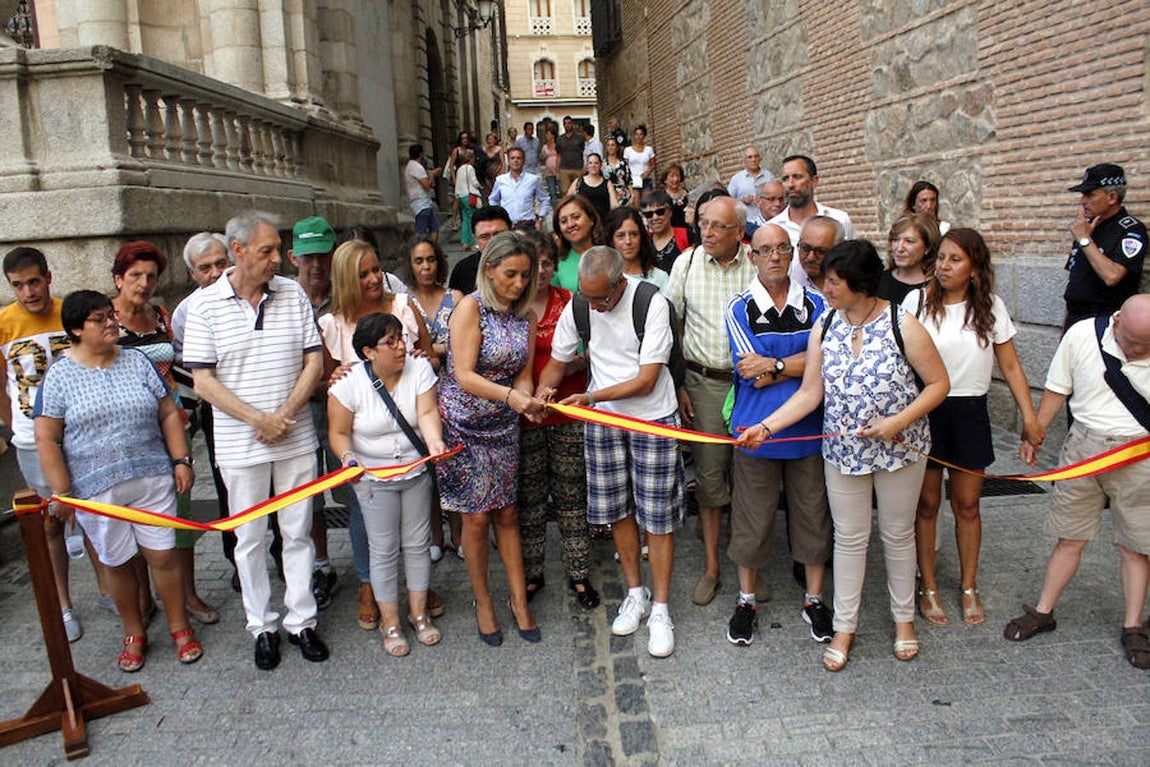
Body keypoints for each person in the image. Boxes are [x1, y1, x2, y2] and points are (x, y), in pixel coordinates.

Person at [739, 240, 949, 672]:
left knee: (896, 535)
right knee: (849, 541)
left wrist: (896, 423)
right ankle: (845, 627)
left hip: (900, 452)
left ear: (858, 283)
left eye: (833, 282)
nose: (825, 288)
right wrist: (766, 427)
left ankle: (904, 621)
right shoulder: (826, 325)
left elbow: (937, 385)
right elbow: (810, 393)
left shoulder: (902, 323)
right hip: (843, 453)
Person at [183, 210, 329, 670]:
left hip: (295, 436)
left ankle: (302, 620)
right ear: (239, 251)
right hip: (239, 443)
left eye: (276, 249)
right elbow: (203, 382)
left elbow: (314, 363)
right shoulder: (203, 305)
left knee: (297, 531)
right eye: (266, 251)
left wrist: (282, 416)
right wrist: (256, 420)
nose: (276, 260)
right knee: (247, 537)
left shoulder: (293, 294)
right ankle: (262, 625)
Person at [35, 290, 203, 671]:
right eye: (100, 319)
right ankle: (134, 632)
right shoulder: (59, 376)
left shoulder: (138, 362)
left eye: (111, 315)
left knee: (163, 555)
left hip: (152, 477)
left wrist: (181, 460)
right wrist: (62, 492)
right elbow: (48, 437)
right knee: (118, 562)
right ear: (76, 329)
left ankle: (180, 626)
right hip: (96, 489)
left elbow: (167, 413)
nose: (112, 323)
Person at [537, 246, 685, 657]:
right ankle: (635, 593)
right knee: (619, 511)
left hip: (652, 417)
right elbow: (558, 358)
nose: (596, 307)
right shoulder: (582, 304)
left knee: (657, 518)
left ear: (620, 282)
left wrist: (591, 396)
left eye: (602, 298)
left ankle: (660, 608)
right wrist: (543, 391)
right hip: (605, 423)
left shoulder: (651, 303)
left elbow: (647, 380)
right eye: (588, 298)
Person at [904, 228, 1042, 627]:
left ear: (975, 268)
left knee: (967, 504)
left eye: (955, 260)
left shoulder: (990, 307)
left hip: (969, 412)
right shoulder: (917, 301)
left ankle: (968, 585)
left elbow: (1011, 365)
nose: (944, 267)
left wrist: (1029, 418)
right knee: (927, 504)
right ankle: (927, 586)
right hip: (926, 410)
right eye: (941, 258)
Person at [1004, 295, 1150, 669]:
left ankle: (1133, 626)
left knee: (1135, 546)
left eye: (1144, 347)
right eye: (1131, 342)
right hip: (1083, 447)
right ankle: (1043, 611)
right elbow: (1058, 388)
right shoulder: (1084, 334)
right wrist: (1033, 433)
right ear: (1117, 321)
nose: (1135, 352)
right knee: (1069, 537)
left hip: (1139, 455)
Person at [724, 223, 833, 646]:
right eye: (765, 249)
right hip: (756, 432)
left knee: (813, 517)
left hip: (809, 432)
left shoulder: (820, 304)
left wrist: (777, 365)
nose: (774, 256)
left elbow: (825, 360)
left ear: (792, 254)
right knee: (751, 520)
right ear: (751, 256)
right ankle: (746, 599)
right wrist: (799, 361)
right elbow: (748, 368)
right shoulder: (739, 307)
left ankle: (814, 599)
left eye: (782, 248)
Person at [437, 231, 546, 646]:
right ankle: (483, 601)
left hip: (504, 425)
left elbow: (523, 370)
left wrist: (529, 398)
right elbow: (463, 374)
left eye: (525, 275)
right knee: (476, 519)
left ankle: (519, 601)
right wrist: (512, 397)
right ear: (489, 270)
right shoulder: (470, 308)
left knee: (507, 514)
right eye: (511, 275)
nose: (519, 284)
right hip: (464, 425)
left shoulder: (525, 316)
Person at [1, 247, 110, 643]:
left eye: (34, 281)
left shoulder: (70, 315)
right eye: (18, 285)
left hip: (81, 435)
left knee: (94, 514)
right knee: (50, 524)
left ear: (48, 276)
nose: (28, 292)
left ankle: (107, 589)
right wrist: (17, 427)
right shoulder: (4, 324)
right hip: (33, 440)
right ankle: (63, 604)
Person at [328, 312, 449, 657]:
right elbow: (338, 433)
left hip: (415, 472)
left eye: (402, 338)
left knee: (417, 543)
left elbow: (426, 413)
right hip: (372, 479)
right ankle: (391, 620)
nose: (401, 347)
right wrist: (349, 457)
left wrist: (435, 442)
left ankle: (419, 613)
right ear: (368, 351)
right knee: (382, 549)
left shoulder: (420, 369)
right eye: (391, 341)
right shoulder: (346, 384)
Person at [110, 241, 216, 627]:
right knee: (130, 517)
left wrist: (192, 412)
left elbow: (181, 366)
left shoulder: (160, 316)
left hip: (173, 431)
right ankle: (142, 597)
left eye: (151, 275)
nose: (144, 282)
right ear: (118, 278)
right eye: (135, 275)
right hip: (127, 438)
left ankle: (188, 594)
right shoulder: (105, 319)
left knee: (179, 516)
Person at [665, 196, 757, 607]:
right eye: (704, 223)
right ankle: (712, 568)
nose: (708, 232)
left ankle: (747, 566)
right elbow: (671, 324)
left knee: (751, 476)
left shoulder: (757, 266)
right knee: (708, 476)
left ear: (740, 231)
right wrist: (680, 384)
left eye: (719, 226)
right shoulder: (685, 264)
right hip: (704, 384)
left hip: (755, 387)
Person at [515, 232, 598, 608]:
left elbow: (590, 350)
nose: (543, 270)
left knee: (571, 495)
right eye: (536, 264)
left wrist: (568, 366)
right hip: (526, 415)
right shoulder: (512, 309)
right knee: (530, 500)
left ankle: (579, 574)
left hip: (568, 410)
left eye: (548, 262)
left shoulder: (570, 303)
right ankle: (532, 573)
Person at [171, 233, 243, 592]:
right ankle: (236, 559)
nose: (215, 272)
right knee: (227, 487)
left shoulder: (249, 293)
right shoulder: (187, 311)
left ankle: (280, 552)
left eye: (220, 262)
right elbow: (188, 368)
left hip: (262, 403)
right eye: (205, 268)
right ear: (192, 272)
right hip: (219, 413)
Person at [287, 216, 342, 611]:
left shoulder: (348, 293)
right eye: (309, 258)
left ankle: (371, 566)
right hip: (302, 414)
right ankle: (320, 565)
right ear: (293, 258)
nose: (317, 266)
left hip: (345, 414)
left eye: (324, 256)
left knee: (356, 488)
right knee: (308, 498)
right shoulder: (284, 300)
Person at [402, 235, 463, 558]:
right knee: (425, 468)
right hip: (417, 395)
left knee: (450, 463)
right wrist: (439, 349)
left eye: (430, 259)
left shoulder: (455, 298)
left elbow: (464, 344)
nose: (426, 267)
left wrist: (433, 350)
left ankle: (458, 533)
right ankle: (434, 536)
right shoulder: (402, 302)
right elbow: (406, 351)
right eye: (418, 261)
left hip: (453, 392)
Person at [1062, 163, 1147, 329]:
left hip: (1104, 321)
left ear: (1112, 197)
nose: (1082, 200)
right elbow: (1075, 282)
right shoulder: (1086, 228)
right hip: (1075, 320)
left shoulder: (1130, 229)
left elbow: (1112, 276)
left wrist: (1085, 240)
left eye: (1089, 194)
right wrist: (1065, 327)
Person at [767, 155, 856, 246]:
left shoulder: (839, 219)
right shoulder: (771, 228)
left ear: (814, 181)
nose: (790, 184)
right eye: (785, 179)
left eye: (797, 177)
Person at [447, 205, 513, 296]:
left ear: (511, 232)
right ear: (475, 238)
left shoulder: (528, 264)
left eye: (498, 235)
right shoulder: (462, 270)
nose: (492, 242)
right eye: (484, 237)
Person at [876, 213, 940, 305]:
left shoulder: (935, 287)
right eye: (896, 240)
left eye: (909, 241)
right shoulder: (877, 281)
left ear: (927, 248)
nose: (900, 248)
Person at [606, 206, 668, 291]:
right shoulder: (604, 278)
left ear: (641, 237)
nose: (628, 241)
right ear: (611, 240)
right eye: (620, 236)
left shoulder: (660, 278)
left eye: (634, 234)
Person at [489, 146, 551, 230]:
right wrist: (497, 215)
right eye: (512, 158)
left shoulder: (533, 180)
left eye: (518, 158)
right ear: (509, 161)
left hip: (528, 225)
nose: (515, 161)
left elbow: (545, 199)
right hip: (507, 226)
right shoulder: (500, 180)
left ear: (524, 161)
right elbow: (493, 199)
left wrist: (540, 218)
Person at [552, 194, 603, 292]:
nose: (570, 224)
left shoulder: (610, 253)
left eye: (576, 217)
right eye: (564, 221)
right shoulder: (557, 264)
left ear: (591, 219)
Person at [728, 146, 776, 234]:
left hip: (768, 223)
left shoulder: (769, 176)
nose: (753, 159)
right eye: (750, 157)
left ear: (760, 158)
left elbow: (777, 196)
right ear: (744, 160)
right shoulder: (737, 179)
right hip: (746, 225)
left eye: (756, 156)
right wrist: (742, 201)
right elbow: (728, 202)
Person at [791, 215, 845, 292]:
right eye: (805, 248)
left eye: (820, 251)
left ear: (838, 250)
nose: (811, 257)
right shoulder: (788, 278)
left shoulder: (851, 284)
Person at [405, 144, 442, 241]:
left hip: (421, 202)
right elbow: (426, 185)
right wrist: (432, 176)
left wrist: (431, 173)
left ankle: (434, 250)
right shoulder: (417, 167)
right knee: (421, 232)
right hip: (421, 203)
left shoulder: (409, 166)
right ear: (421, 154)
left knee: (434, 228)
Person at [567, 153, 617, 224]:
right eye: (590, 163)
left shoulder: (608, 183)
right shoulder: (578, 182)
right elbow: (568, 201)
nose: (593, 165)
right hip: (582, 223)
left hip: (602, 223)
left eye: (596, 163)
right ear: (587, 166)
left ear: (600, 165)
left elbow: (614, 205)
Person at [642, 190, 684, 273]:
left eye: (660, 212)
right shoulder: (643, 241)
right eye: (649, 214)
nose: (655, 218)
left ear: (670, 212)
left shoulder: (687, 236)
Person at [454, 148, 482, 251]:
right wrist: (480, 186)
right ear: (471, 158)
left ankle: (465, 242)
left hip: (461, 196)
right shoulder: (470, 168)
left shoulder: (460, 169)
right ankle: (474, 243)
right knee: (473, 219)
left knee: (465, 219)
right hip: (469, 196)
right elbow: (474, 181)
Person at [444, 131, 472, 230]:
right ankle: (454, 221)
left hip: (466, 176)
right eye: (463, 138)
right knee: (457, 199)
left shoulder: (470, 151)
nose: (465, 140)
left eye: (466, 138)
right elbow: (451, 166)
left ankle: (466, 219)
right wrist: (454, 179)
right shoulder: (456, 150)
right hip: (458, 176)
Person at [556, 116, 585, 193]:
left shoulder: (580, 137)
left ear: (572, 124)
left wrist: (584, 167)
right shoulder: (559, 139)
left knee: (579, 191)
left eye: (569, 123)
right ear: (563, 125)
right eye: (565, 123)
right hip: (564, 169)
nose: (567, 125)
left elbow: (584, 152)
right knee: (566, 192)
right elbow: (558, 155)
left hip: (578, 168)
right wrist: (558, 171)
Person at [623, 125, 655, 194]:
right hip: (633, 179)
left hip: (645, 179)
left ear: (644, 136)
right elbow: (625, 166)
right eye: (636, 134)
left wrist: (647, 172)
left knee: (647, 201)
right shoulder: (628, 150)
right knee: (636, 202)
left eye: (641, 134)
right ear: (634, 136)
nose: (638, 136)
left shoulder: (649, 149)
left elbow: (653, 165)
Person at [603, 137, 633, 209]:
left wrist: (632, 195)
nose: (610, 147)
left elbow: (628, 181)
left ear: (617, 147)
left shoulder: (623, 164)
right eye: (608, 145)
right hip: (608, 196)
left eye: (613, 145)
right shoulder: (602, 165)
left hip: (623, 196)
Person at [661, 163, 690, 230]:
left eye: (678, 176)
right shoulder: (662, 197)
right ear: (665, 179)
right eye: (672, 176)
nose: (675, 179)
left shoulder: (687, 195)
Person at [540, 126, 562, 205]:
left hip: (558, 172)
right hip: (549, 173)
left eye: (548, 134)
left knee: (562, 191)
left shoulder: (558, 145)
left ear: (553, 135)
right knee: (552, 193)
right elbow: (541, 158)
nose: (546, 136)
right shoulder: (544, 147)